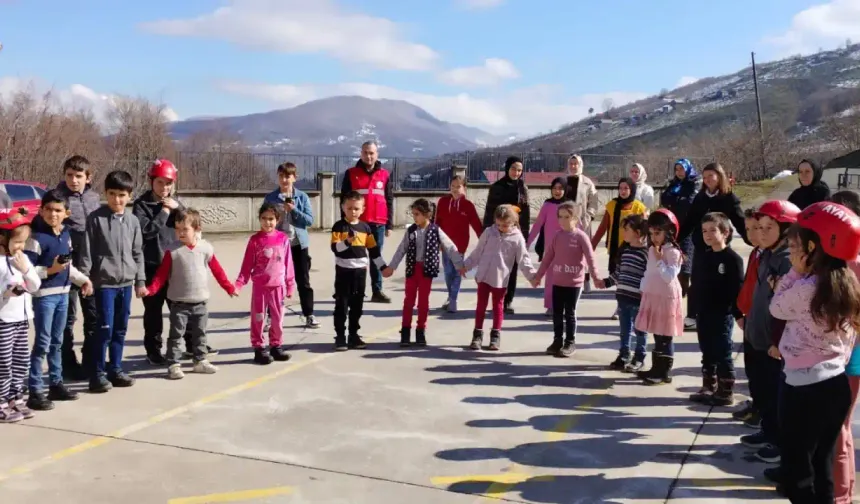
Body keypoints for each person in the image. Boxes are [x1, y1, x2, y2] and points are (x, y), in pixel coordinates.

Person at [770, 201, 860, 502]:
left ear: (812, 247)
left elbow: (777, 307)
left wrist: (794, 274)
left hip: (803, 389)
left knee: (797, 473)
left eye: (794, 245)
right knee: (821, 464)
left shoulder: (807, 286)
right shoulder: (845, 281)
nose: (791, 252)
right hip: (834, 383)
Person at [739, 199, 800, 466]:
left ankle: (778, 441)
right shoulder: (765, 255)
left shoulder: (787, 262)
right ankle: (767, 428)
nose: (761, 233)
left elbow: (789, 309)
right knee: (762, 389)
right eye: (759, 227)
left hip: (774, 343)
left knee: (776, 393)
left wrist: (778, 341)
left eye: (768, 227)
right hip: (758, 334)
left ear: (786, 229)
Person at [145, 209, 237, 378]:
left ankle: (200, 361)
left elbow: (217, 270)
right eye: (177, 229)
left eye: (185, 229)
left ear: (196, 229)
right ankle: (173, 364)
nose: (180, 233)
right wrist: (151, 290)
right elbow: (161, 275)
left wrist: (229, 287)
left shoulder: (206, 248)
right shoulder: (172, 251)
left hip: (200, 302)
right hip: (178, 303)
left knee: (200, 333)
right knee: (176, 335)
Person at [133, 159, 207, 366]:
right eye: (160, 182)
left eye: (168, 183)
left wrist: (177, 209)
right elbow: (146, 232)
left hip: (176, 266)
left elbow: (190, 225)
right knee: (154, 313)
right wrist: (165, 212)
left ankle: (193, 345)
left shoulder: (177, 204)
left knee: (184, 308)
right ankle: (153, 350)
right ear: (151, 182)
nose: (164, 188)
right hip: (152, 266)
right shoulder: (142, 205)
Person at [78, 170, 147, 394]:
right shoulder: (95, 219)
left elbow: (138, 254)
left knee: (120, 329)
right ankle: (97, 374)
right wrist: (85, 279)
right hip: (104, 284)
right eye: (112, 194)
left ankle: (115, 369)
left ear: (130, 196)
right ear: (105, 194)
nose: (117, 200)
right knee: (104, 329)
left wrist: (140, 281)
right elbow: (87, 252)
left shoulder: (133, 221)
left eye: (122, 195)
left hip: (126, 284)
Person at [24, 191, 93, 410]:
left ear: (66, 213)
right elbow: (28, 271)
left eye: (58, 210)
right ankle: (35, 390)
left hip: (63, 295)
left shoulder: (66, 235)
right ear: (41, 210)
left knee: (58, 342)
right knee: (43, 343)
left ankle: (56, 383)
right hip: (45, 298)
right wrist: (50, 270)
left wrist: (82, 280)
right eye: (49, 210)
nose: (53, 214)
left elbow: (68, 266)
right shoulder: (35, 238)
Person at [677, 162, 747, 331]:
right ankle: (692, 316)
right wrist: (676, 240)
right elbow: (690, 221)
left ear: (720, 176)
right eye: (705, 176)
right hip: (701, 247)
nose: (708, 180)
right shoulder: (700, 197)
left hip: (719, 249)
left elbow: (740, 222)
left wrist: (751, 239)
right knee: (697, 281)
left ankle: (721, 314)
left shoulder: (728, 197)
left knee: (718, 282)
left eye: (711, 176)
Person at [385, 199, 464, 347]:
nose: (414, 217)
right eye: (413, 214)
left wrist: (460, 265)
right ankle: (406, 330)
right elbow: (401, 250)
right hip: (412, 270)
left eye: (417, 214)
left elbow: (450, 246)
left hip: (426, 271)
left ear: (427, 215)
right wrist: (392, 266)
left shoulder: (435, 230)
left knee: (423, 302)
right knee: (408, 301)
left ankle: (421, 330)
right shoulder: (411, 231)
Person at [688, 212, 744, 406]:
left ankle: (725, 390)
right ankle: (708, 386)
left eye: (713, 230)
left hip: (722, 314)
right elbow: (695, 284)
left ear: (726, 232)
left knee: (722, 351)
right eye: (705, 231)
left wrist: (738, 313)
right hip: (704, 312)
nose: (708, 235)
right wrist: (692, 310)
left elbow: (737, 289)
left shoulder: (732, 259)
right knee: (707, 351)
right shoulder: (704, 256)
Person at [532, 202, 601, 357]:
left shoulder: (581, 236)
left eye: (567, 217)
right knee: (557, 313)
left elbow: (591, 258)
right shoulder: (557, 236)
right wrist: (538, 276)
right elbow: (547, 257)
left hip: (574, 283)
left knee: (569, 313)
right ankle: (557, 340)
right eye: (560, 217)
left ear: (575, 218)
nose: (563, 220)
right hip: (557, 281)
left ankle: (570, 341)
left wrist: (595, 278)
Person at [465, 204, 537, 351]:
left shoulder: (517, 238)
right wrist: (466, 265)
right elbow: (478, 252)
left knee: (498, 306)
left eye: (505, 225)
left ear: (513, 222)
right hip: (483, 276)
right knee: (481, 306)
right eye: (498, 224)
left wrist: (532, 276)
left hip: (500, 278)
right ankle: (477, 334)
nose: (501, 228)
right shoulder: (489, 232)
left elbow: (524, 259)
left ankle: (495, 335)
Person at [827, 191, 860, 504]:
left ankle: (841, 496)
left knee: (838, 430)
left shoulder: (852, 263)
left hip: (848, 359)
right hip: (837, 357)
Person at [56, 155, 100, 381]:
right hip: (66, 270)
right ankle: (68, 362)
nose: (74, 180)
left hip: (90, 268)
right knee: (67, 318)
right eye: (69, 175)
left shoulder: (94, 199)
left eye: (79, 176)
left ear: (88, 178)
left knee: (93, 316)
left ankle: (91, 360)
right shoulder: (58, 198)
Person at [234, 203, 296, 365]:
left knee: (277, 319)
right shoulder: (255, 240)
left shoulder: (283, 239)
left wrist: (290, 284)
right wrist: (239, 283)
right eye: (264, 219)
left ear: (277, 220)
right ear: (259, 219)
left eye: (271, 219)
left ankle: (276, 346)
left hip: (278, 287)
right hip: (260, 287)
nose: (267, 222)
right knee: (258, 318)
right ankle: (259, 348)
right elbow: (247, 265)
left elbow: (288, 264)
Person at [330, 192, 388, 351]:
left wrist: (383, 267)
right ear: (343, 208)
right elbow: (335, 249)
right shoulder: (338, 227)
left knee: (357, 306)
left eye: (356, 208)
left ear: (362, 209)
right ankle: (340, 336)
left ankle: (353, 335)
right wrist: (347, 242)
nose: (353, 211)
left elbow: (374, 250)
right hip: (343, 272)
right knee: (342, 305)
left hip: (360, 272)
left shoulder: (365, 228)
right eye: (349, 208)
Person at [264, 162, 318, 328]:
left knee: (303, 281)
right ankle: (271, 316)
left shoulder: (302, 197)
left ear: (295, 177)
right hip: (278, 247)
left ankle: (309, 314)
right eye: (281, 176)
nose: (284, 179)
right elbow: (265, 220)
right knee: (274, 282)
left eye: (288, 176)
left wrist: (293, 210)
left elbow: (309, 220)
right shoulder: (271, 198)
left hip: (298, 245)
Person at [339, 141, 393, 304]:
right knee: (356, 258)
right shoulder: (351, 173)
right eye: (365, 153)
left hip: (378, 224)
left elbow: (389, 199)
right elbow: (343, 200)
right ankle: (354, 291)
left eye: (372, 153)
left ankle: (377, 291)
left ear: (377, 154)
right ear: (361, 154)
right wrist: (344, 223)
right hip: (357, 224)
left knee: (376, 257)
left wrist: (389, 224)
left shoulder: (384, 175)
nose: (368, 156)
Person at [635, 209, 684, 385]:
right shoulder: (653, 249)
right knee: (656, 332)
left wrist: (659, 259)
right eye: (651, 233)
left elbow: (669, 276)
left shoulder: (673, 252)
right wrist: (643, 288)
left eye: (658, 233)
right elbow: (649, 272)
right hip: (653, 294)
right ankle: (656, 367)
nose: (654, 237)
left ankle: (664, 371)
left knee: (665, 335)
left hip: (666, 297)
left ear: (669, 231)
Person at [0, 210, 39, 422]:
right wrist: (6, 293)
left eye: (23, 242)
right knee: (3, 363)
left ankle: (16, 398)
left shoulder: (21, 259)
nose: (20, 247)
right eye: (17, 242)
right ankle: (1, 401)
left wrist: (25, 270)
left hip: (21, 320)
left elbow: (35, 286)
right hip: (4, 320)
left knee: (20, 360)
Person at [483, 156, 530, 314]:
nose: (516, 172)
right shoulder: (497, 187)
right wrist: (487, 233)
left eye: (519, 170)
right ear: (507, 168)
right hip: (498, 233)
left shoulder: (523, 188)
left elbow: (526, 213)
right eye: (513, 169)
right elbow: (489, 211)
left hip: (515, 235)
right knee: (498, 268)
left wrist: (525, 236)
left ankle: (508, 301)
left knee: (513, 268)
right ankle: (497, 300)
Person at [603, 214, 650, 372]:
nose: (624, 232)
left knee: (640, 330)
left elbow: (649, 277)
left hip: (639, 300)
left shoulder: (647, 254)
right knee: (624, 330)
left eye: (627, 229)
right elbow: (618, 274)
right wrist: (605, 282)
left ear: (637, 232)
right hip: (623, 298)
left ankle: (639, 357)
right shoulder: (624, 251)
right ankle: (624, 355)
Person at [731, 208, 764, 429]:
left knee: (763, 371)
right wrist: (740, 312)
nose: (751, 234)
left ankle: (762, 412)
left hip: (761, 321)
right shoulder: (755, 253)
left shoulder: (772, 257)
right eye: (748, 229)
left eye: (757, 229)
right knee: (752, 367)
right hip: (749, 317)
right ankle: (756, 404)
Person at [433, 175, 482, 313]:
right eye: (453, 186)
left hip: (460, 245)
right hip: (444, 244)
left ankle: (453, 299)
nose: (455, 189)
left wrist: (484, 241)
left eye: (458, 186)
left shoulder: (468, 205)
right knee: (448, 272)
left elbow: (477, 225)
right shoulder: (443, 202)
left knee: (457, 272)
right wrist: (435, 241)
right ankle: (451, 296)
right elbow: (437, 223)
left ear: (464, 188)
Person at [660, 159, 700, 301]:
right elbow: (664, 199)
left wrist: (676, 199)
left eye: (681, 169)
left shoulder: (694, 184)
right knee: (672, 259)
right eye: (676, 169)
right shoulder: (673, 184)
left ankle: (684, 290)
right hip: (673, 227)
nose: (679, 172)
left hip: (688, 228)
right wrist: (676, 198)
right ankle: (674, 290)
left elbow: (688, 204)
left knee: (686, 262)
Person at [527, 177, 568, 316]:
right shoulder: (547, 205)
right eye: (555, 188)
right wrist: (526, 244)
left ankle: (563, 306)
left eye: (560, 188)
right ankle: (550, 306)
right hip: (550, 249)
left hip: (566, 248)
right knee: (550, 278)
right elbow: (538, 225)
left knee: (564, 278)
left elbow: (578, 227)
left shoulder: (570, 206)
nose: (557, 191)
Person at [591, 178, 648, 276]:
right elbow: (602, 228)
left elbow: (645, 231)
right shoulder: (612, 205)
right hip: (615, 248)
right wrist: (592, 246)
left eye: (626, 188)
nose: (623, 191)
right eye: (620, 188)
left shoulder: (639, 207)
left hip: (633, 249)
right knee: (615, 276)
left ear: (632, 190)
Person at [564, 154, 599, 292]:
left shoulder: (587, 182)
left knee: (584, 252)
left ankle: (586, 280)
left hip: (583, 223)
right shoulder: (563, 180)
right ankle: (567, 279)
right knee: (566, 251)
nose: (573, 166)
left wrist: (588, 217)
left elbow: (594, 202)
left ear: (580, 165)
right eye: (571, 163)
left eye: (576, 164)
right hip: (566, 222)